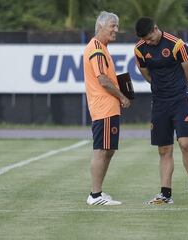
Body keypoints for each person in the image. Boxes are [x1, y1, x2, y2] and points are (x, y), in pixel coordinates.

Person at [134, 17, 188, 204]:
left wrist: (178, 89)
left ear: (156, 29)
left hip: (180, 99)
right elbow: (145, 73)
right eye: (144, 40)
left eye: (149, 38)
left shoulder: (177, 45)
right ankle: (165, 194)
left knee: (185, 143)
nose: (148, 42)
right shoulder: (139, 49)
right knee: (164, 149)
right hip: (159, 102)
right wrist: (161, 88)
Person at [83, 11, 131, 205]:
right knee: (101, 150)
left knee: (108, 149)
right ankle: (95, 195)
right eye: (113, 26)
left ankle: (98, 193)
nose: (116, 30)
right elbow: (103, 80)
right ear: (101, 26)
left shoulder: (102, 47)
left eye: (116, 26)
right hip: (104, 107)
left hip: (108, 107)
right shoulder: (96, 48)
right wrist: (122, 97)